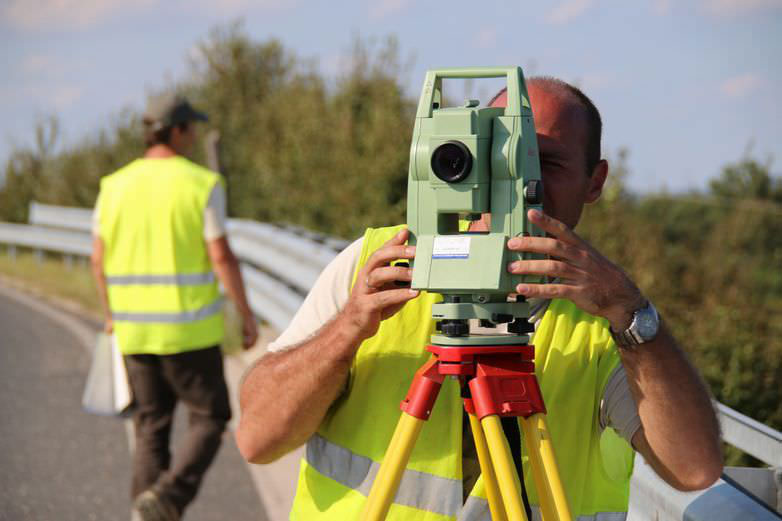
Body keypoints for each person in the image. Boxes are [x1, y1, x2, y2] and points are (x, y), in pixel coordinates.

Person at [236, 77, 723, 520]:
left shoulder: (603, 318)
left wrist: (630, 312)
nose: (520, 181)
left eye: (545, 161)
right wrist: (348, 328)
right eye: (504, 156)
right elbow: (257, 439)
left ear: (594, 181)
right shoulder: (381, 264)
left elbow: (693, 469)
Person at [90, 92, 259, 521]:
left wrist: (111, 316)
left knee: (151, 427)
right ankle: (168, 498)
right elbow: (221, 255)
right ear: (179, 130)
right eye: (192, 127)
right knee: (210, 416)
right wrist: (245, 312)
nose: (195, 134)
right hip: (190, 333)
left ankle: (146, 509)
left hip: (134, 332)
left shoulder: (114, 185)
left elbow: (98, 259)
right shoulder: (201, 183)